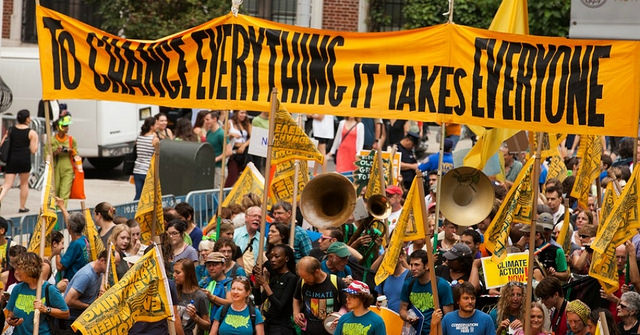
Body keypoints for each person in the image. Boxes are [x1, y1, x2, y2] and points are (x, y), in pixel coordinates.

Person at [5, 252, 70, 334]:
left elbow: (66, 313)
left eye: (19, 269)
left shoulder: (49, 289)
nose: (16, 272)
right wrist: (11, 321)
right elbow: (9, 314)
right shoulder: (17, 289)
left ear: (29, 269)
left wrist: (46, 309)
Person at [400, 249, 454, 335]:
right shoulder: (408, 284)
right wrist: (407, 317)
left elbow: (449, 317)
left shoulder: (442, 285)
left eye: (417, 265)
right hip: (414, 332)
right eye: (411, 265)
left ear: (427, 266)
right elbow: (402, 309)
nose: (413, 268)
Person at [293, 256, 346, 335]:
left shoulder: (336, 282)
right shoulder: (302, 282)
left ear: (317, 272)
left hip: (331, 330)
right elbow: (296, 298)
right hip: (308, 330)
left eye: (306, 277)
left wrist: (340, 316)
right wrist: (296, 313)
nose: (304, 280)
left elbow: (347, 305)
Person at [253, 244, 298, 334]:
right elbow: (258, 301)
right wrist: (257, 284)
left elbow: (280, 306)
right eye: (271, 257)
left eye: (276, 257)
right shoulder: (274, 278)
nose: (272, 260)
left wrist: (265, 284)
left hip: (282, 327)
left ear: (286, 259)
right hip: (267, 324)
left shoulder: (291, 278)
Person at [0, 109, 38, 212]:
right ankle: (22, 206)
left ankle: (0, 198)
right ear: (27, 119)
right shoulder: (31, 133)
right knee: (24, 184)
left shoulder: (11, 130)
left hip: (12, 159)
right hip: (24, 160)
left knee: (7, 184)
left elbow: (2, 143)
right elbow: (33, 150)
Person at [62, 250, 108, 329]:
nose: (112, 268)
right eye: (110, 265)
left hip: (83, 319)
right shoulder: (86, 275)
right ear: (102, 261)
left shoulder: (100, 272)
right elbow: (68, 300)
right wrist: (89, 306)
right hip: (72, 321)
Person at [174, 259, 210, 334]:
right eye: (174, 272)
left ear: (188, 274)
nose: (174, 275)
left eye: (178, 272)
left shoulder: (200, 296)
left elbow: (207, 325)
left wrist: (195, 317)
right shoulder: (174, 291)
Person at [51, 113, 81, 204]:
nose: (66, 128)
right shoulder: (52, 140)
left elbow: (77, 155)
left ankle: (62, 212)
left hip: (68, 169)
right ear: (58, 127)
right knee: (54, 192)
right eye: (64, 126)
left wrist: (71, 150)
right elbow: (46, 156)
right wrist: (56, 152)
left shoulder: (72, 140)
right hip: (55, 170)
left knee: (64, 193)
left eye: (67, 126)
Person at [375, 247, 409, 313]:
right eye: (387, 257)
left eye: (392, 256)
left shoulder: (409, 276)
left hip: (405, 320)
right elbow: (380, 299)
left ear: (400, 257)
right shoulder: (382, 277)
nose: (389, 260)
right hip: (388, 318)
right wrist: (378, 304)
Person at [200, 252, 232, 323]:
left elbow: (230, 302)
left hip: (223, 322)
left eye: (214, 265)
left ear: (223, 266)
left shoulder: (229, 283)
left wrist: (211, 297)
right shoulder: (204, 282)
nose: (211, 268)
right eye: (209, 265)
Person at [56, 212, 89, 280]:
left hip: (73, 281)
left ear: (69, 227)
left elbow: (60, 267)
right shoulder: (84, 239)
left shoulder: (76, 245)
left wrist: (57, 251)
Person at [133, 116, 159, 200]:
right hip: (148, 171)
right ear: (151, 126)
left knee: (138, 194)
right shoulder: (154, 139)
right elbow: (158, 153)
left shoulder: (139, 137)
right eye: (156, 124)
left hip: (137, 170)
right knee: (148, 196)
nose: (158, 126)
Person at [233, 206, 265, 274]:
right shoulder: (235, 234)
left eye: (260, 217)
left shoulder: (263, 239)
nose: (257, 219)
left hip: (254, 279)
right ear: (246, 217)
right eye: (254, 216)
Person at [225, 110, 251, 187]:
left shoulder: (247, 124)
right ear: (236, 113)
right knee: (232, 175)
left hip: (244, 152)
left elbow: (252, 137)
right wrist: (231, 135)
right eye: (242, 113)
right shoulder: (229, 123)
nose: (244, 115)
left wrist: (244, 145)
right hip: (233, 151)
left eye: (245, 113)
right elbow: (224, 136)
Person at [205, 111, 229, 189]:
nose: (206, 122)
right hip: (211, 167)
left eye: (208, 119)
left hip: (219, 168)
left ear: (214, 119)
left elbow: (229, 151)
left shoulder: (221, 134)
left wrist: (216, 159)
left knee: (217, 190)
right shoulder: (209, 132)